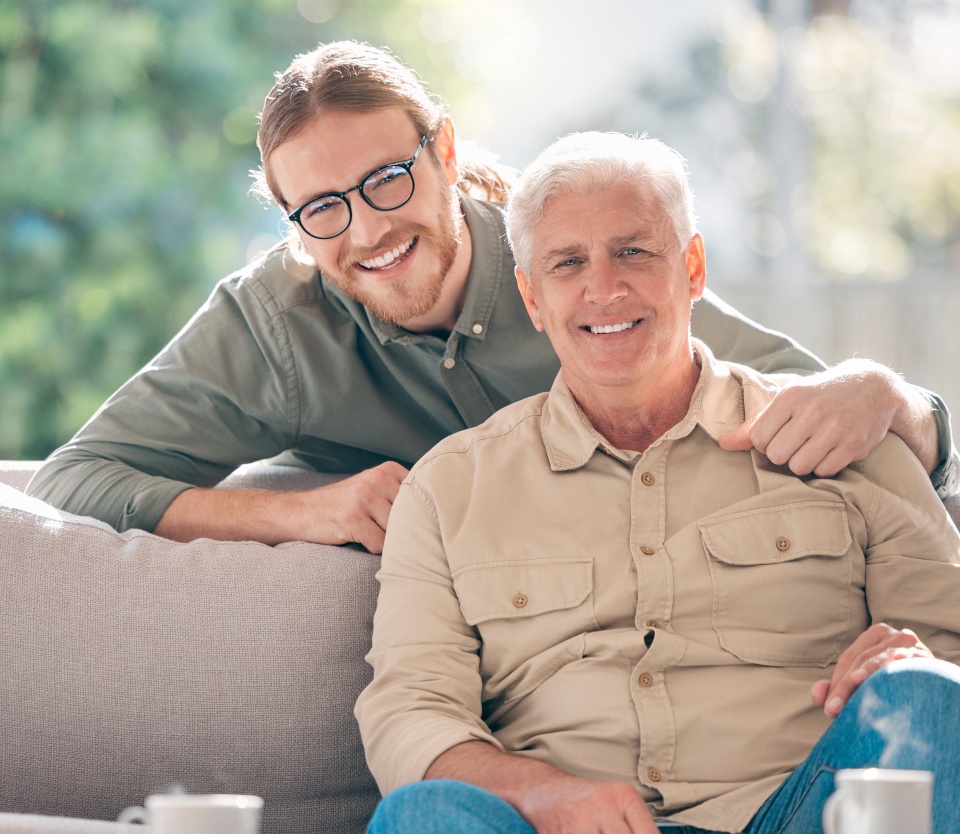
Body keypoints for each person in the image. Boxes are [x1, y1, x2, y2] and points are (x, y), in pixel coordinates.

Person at [26, 42, 957, 553]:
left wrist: (891, 395)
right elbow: (77, 480)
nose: (366, 231)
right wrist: (302, 512)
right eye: (319, 208)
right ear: (289, 219)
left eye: (389, 177)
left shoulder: (574, 265)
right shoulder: (277, 327)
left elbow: (824, 403)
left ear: (445, 153)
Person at [354, 131, 960, 834]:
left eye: (634, 252)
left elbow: (944, 667)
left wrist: (916, 664)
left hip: (805, 825)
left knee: (931, 700)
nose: (604, 288)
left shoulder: (841, 436)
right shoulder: (449, 487)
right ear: (532, 298)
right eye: (568, 263)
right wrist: (542, 794)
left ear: (693, 267)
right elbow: (409, 713)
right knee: (421, 821)